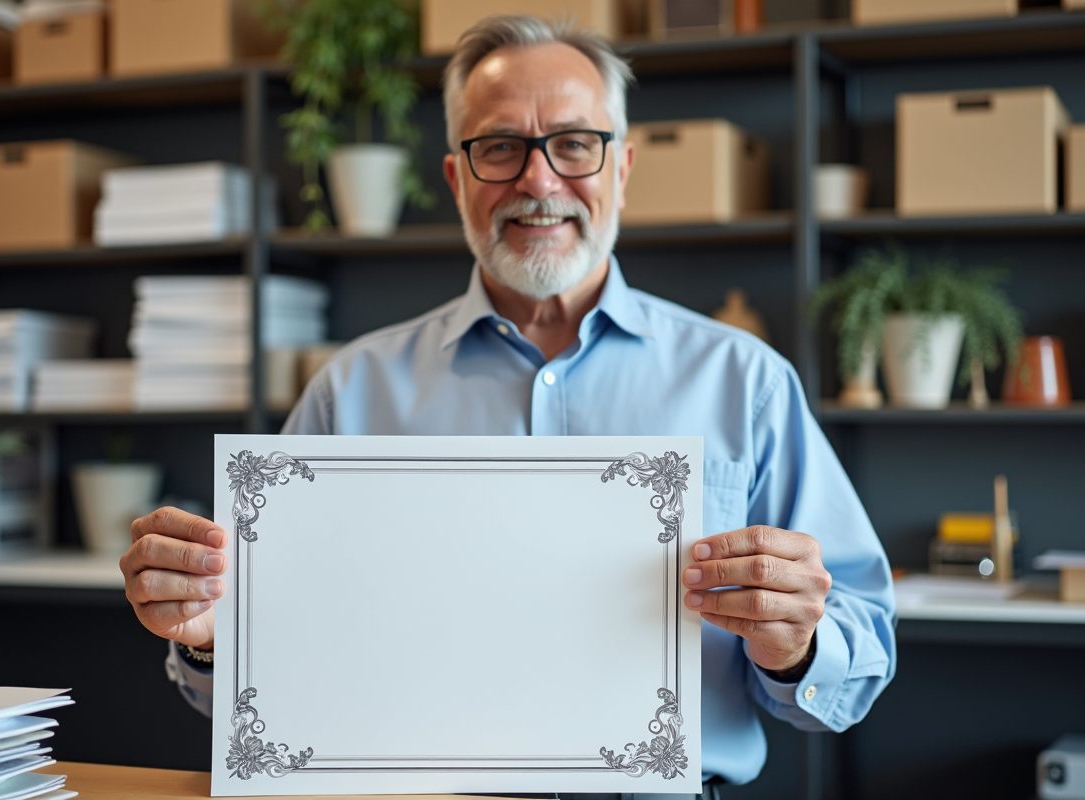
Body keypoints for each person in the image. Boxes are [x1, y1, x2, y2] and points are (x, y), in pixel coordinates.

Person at [119, 15, 896, 792]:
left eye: (574, 143)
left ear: (622, 169)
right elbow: (263, 683)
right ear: (457, 179)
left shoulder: (747, 382)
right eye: (499, 147)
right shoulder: (349, 394)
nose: (539, 181)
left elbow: (856, 667)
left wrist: (797, 643)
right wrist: (211, 643)